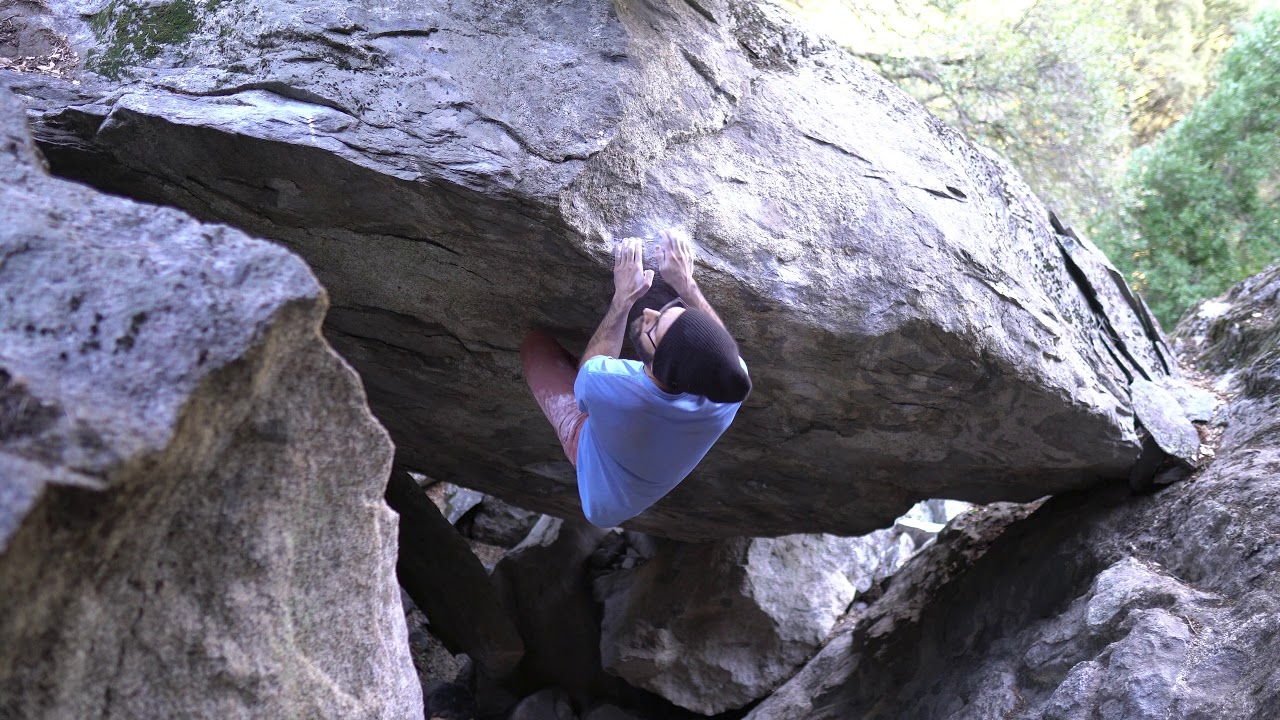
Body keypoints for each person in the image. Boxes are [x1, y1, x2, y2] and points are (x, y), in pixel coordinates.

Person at [520, 228, 751, 528]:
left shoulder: (616, 388)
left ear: (659, 367)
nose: (652, 313)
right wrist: (686, 284)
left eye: (653, 329)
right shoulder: (727, 389)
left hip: (599, 494)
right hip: (637, 485)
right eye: (670, 310)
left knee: (535, 346)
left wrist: (623, 300)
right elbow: (723, 349)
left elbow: (588, 375)